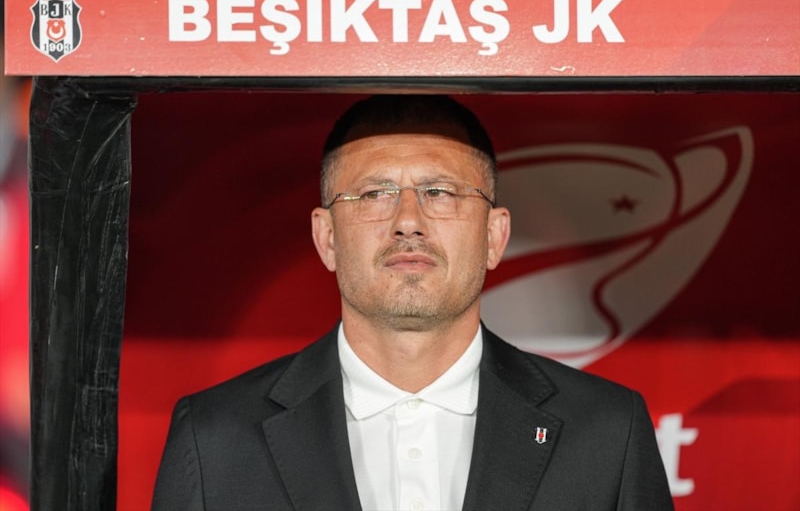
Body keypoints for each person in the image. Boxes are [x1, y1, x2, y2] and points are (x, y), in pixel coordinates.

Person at [152, 95, 673, 511]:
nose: (408, 220)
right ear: (327, 238)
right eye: (374, 194)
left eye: (440, 192)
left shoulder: (607, 431)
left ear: (494, 237)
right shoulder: (215, 436)